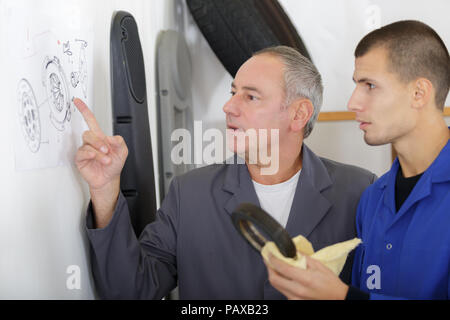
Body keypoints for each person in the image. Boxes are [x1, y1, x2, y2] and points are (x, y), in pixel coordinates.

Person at [74, 46, 376, 299]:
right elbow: (132, 291)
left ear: (298, 114)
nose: (228, 106)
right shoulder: (189, 194)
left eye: (250, 96)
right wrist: (105, 189)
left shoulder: (360, 192)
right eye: (233, 92)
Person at [264, 20, 450, 300]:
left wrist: (343, 297)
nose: (353, 102)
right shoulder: (373, 198)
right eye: (356, 85)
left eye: (370, 85)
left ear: (419, 93)